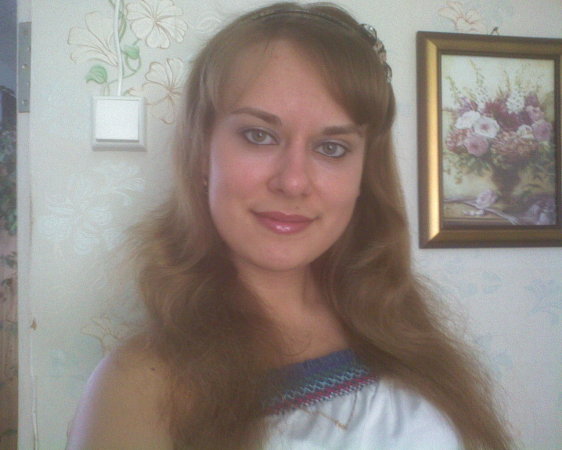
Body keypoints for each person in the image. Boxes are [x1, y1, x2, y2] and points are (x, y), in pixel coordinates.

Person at [67, 2, 511, 449]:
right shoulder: (140, 385)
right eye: (259, 135)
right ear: (202, 154)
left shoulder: (398, 325)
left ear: (363, 172)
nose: (294, 181)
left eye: (332, 148)